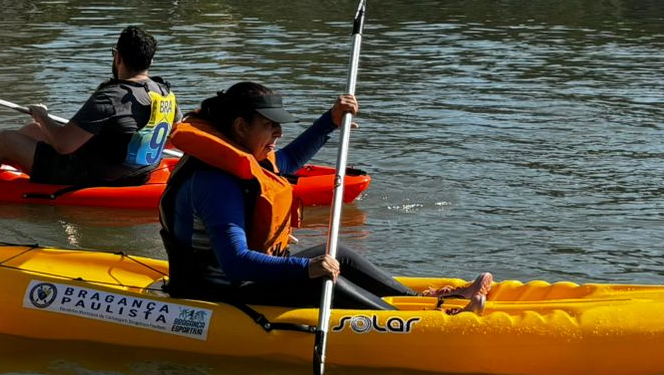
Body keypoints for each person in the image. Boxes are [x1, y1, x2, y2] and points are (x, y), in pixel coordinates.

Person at [159, 82, 494, 312]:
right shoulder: (214, 182)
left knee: (339, 255)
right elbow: (235, 263)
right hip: (216, 290)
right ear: (240, 127)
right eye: (270, 125)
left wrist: (330, 121)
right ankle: (414, 324)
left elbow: (286, 162)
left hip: (245, 276)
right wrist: (306, 268)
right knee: (320, 281)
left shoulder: (245, 155)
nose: (279, 132)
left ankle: (426, 301)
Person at [0, 26, 177, 186]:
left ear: (117, 57)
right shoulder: (165, 93)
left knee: (5, 139)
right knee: (34, 131)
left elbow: (64, 146)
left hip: (94, 177)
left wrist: (42, 115)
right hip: (137, 174)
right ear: (150, 61)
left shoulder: (111, 97)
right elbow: (172, 136)